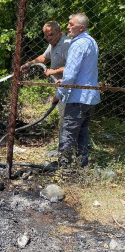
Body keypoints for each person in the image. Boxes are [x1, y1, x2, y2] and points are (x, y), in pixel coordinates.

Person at [52, 13, 100, 168]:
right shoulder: (92, 42)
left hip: (77, 98)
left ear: (81, 27)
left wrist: (58, 94)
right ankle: (81, 165)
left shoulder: (77, 44)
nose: (68, 27)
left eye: (71, 24)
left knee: (68, 133)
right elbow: (84, 71)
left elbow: (70, 73)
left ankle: (64, 169)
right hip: (90, 97)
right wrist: (66, 81)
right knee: (82, 133)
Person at [21, 21, 71, 127]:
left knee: (67, 121)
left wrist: (53, 71)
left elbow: (73, 68)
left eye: (51, 34)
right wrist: (29, 64)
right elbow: (44, 57)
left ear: (59, 31)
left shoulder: (67, 44)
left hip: (69, 88)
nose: (49, 38)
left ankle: (66, 142)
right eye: (46, 36)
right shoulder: (53, 43)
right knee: (64, 119)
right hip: (61, 88)